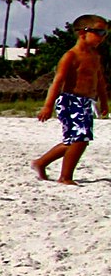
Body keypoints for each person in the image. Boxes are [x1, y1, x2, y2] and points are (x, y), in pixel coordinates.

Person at [34, 15, 111, 184]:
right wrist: (48, 106)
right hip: (70, 101)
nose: (103, 37)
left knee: (73, 141)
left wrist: (104, 101)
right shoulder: (71, 56)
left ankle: (41, 163)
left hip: (86, 102)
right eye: (99, 32)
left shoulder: (95, 56)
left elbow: (100, 81)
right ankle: (65, 177)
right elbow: (57, 82)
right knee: (80, 139)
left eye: (105, 33)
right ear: (82, 33)